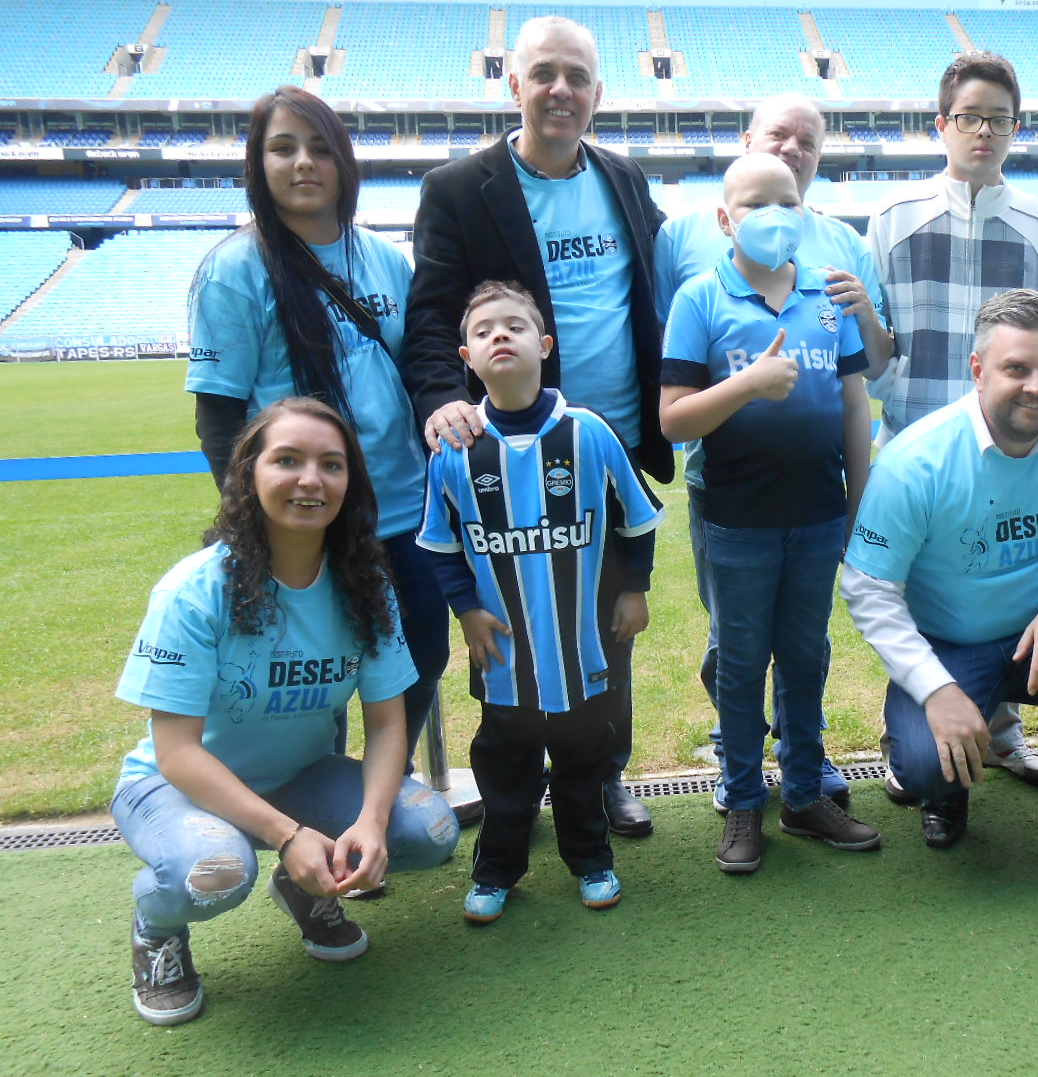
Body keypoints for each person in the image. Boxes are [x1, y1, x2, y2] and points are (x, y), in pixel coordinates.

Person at [112, 398, 461, 1026]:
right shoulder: (194, 591)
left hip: (299, 779)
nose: (311, 480)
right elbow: (177, 752)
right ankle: (155, 927)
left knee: (427, 832)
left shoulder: (364, 585)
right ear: (249, 475)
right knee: (214, 873)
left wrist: (374, 822)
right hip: (174, 789)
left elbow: (386, 723)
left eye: (332, 464)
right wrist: (288, 835)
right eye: (288, 460)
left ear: (350, 483)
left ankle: (304, 886)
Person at [403, 15, 670, 838]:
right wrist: (443, 402)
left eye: (578, 76)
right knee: (515, 630)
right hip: (509, 459)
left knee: (608, 631)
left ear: (598, 93)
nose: (561, 89)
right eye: (544, 73)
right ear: (513, 85)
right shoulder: (459, 189)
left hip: (608, 450)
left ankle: (602, 777)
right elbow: (431, 321)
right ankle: (516, 781)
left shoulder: (625, 179)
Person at [841, 290, 1038, 911]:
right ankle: (946, 788)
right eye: (1017, 368)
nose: (1037, 387)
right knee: (925, 764)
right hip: (951, 645)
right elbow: (869, 589)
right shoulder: (915, 462)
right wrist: (935, 690)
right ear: (979, 369)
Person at [186, 86, 447, 764]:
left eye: (320, 147)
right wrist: (255, 521)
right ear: (257, 163)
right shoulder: (234, 272)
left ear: (344, 164)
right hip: (306, 519)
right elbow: (218, 416)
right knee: (317, 679)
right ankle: (328, 817)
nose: (304, 163)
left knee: (424, 654)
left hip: (405, 511)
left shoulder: (386, 260)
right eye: (283, 147)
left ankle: (381, 786)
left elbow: (420, 372)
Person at [654, 93, 889, 811]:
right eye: (756, 204)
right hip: (734, 510)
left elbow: (858, 396)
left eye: (787, 202)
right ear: (724, 219)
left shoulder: (829, 286)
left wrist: (855, 503)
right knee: (739, 653)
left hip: (817, 512)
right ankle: (741, 791)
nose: (774, 216)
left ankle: (807, 785)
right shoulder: (698, 289)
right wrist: (749, 385)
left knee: (806, 651)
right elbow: (675, 417)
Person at [419, 282, 663, 922]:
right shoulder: (454, 452)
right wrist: (468, 612)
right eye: (484, 330)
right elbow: (442, 548)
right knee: (507, 776)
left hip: (583, 651)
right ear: (466, 357)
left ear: (545, 346)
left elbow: (636, 520)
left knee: (584, 768)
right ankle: (498, 870)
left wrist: (634, 588)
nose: (500, 336)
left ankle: (591, 860)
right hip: (503, 659)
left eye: (516, 326)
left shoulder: (589, 433)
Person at [866, 50, 1038, 793]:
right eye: (970, 117)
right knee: (923, 599)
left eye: (1000, 120)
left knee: (1011, 581)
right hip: (918, 452)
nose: (985, 132)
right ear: (941, 124)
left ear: (1017, 129)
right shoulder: (892, 220)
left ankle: (1003, 730)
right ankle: (915, 727)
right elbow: (878, 352)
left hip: (1012, 455)